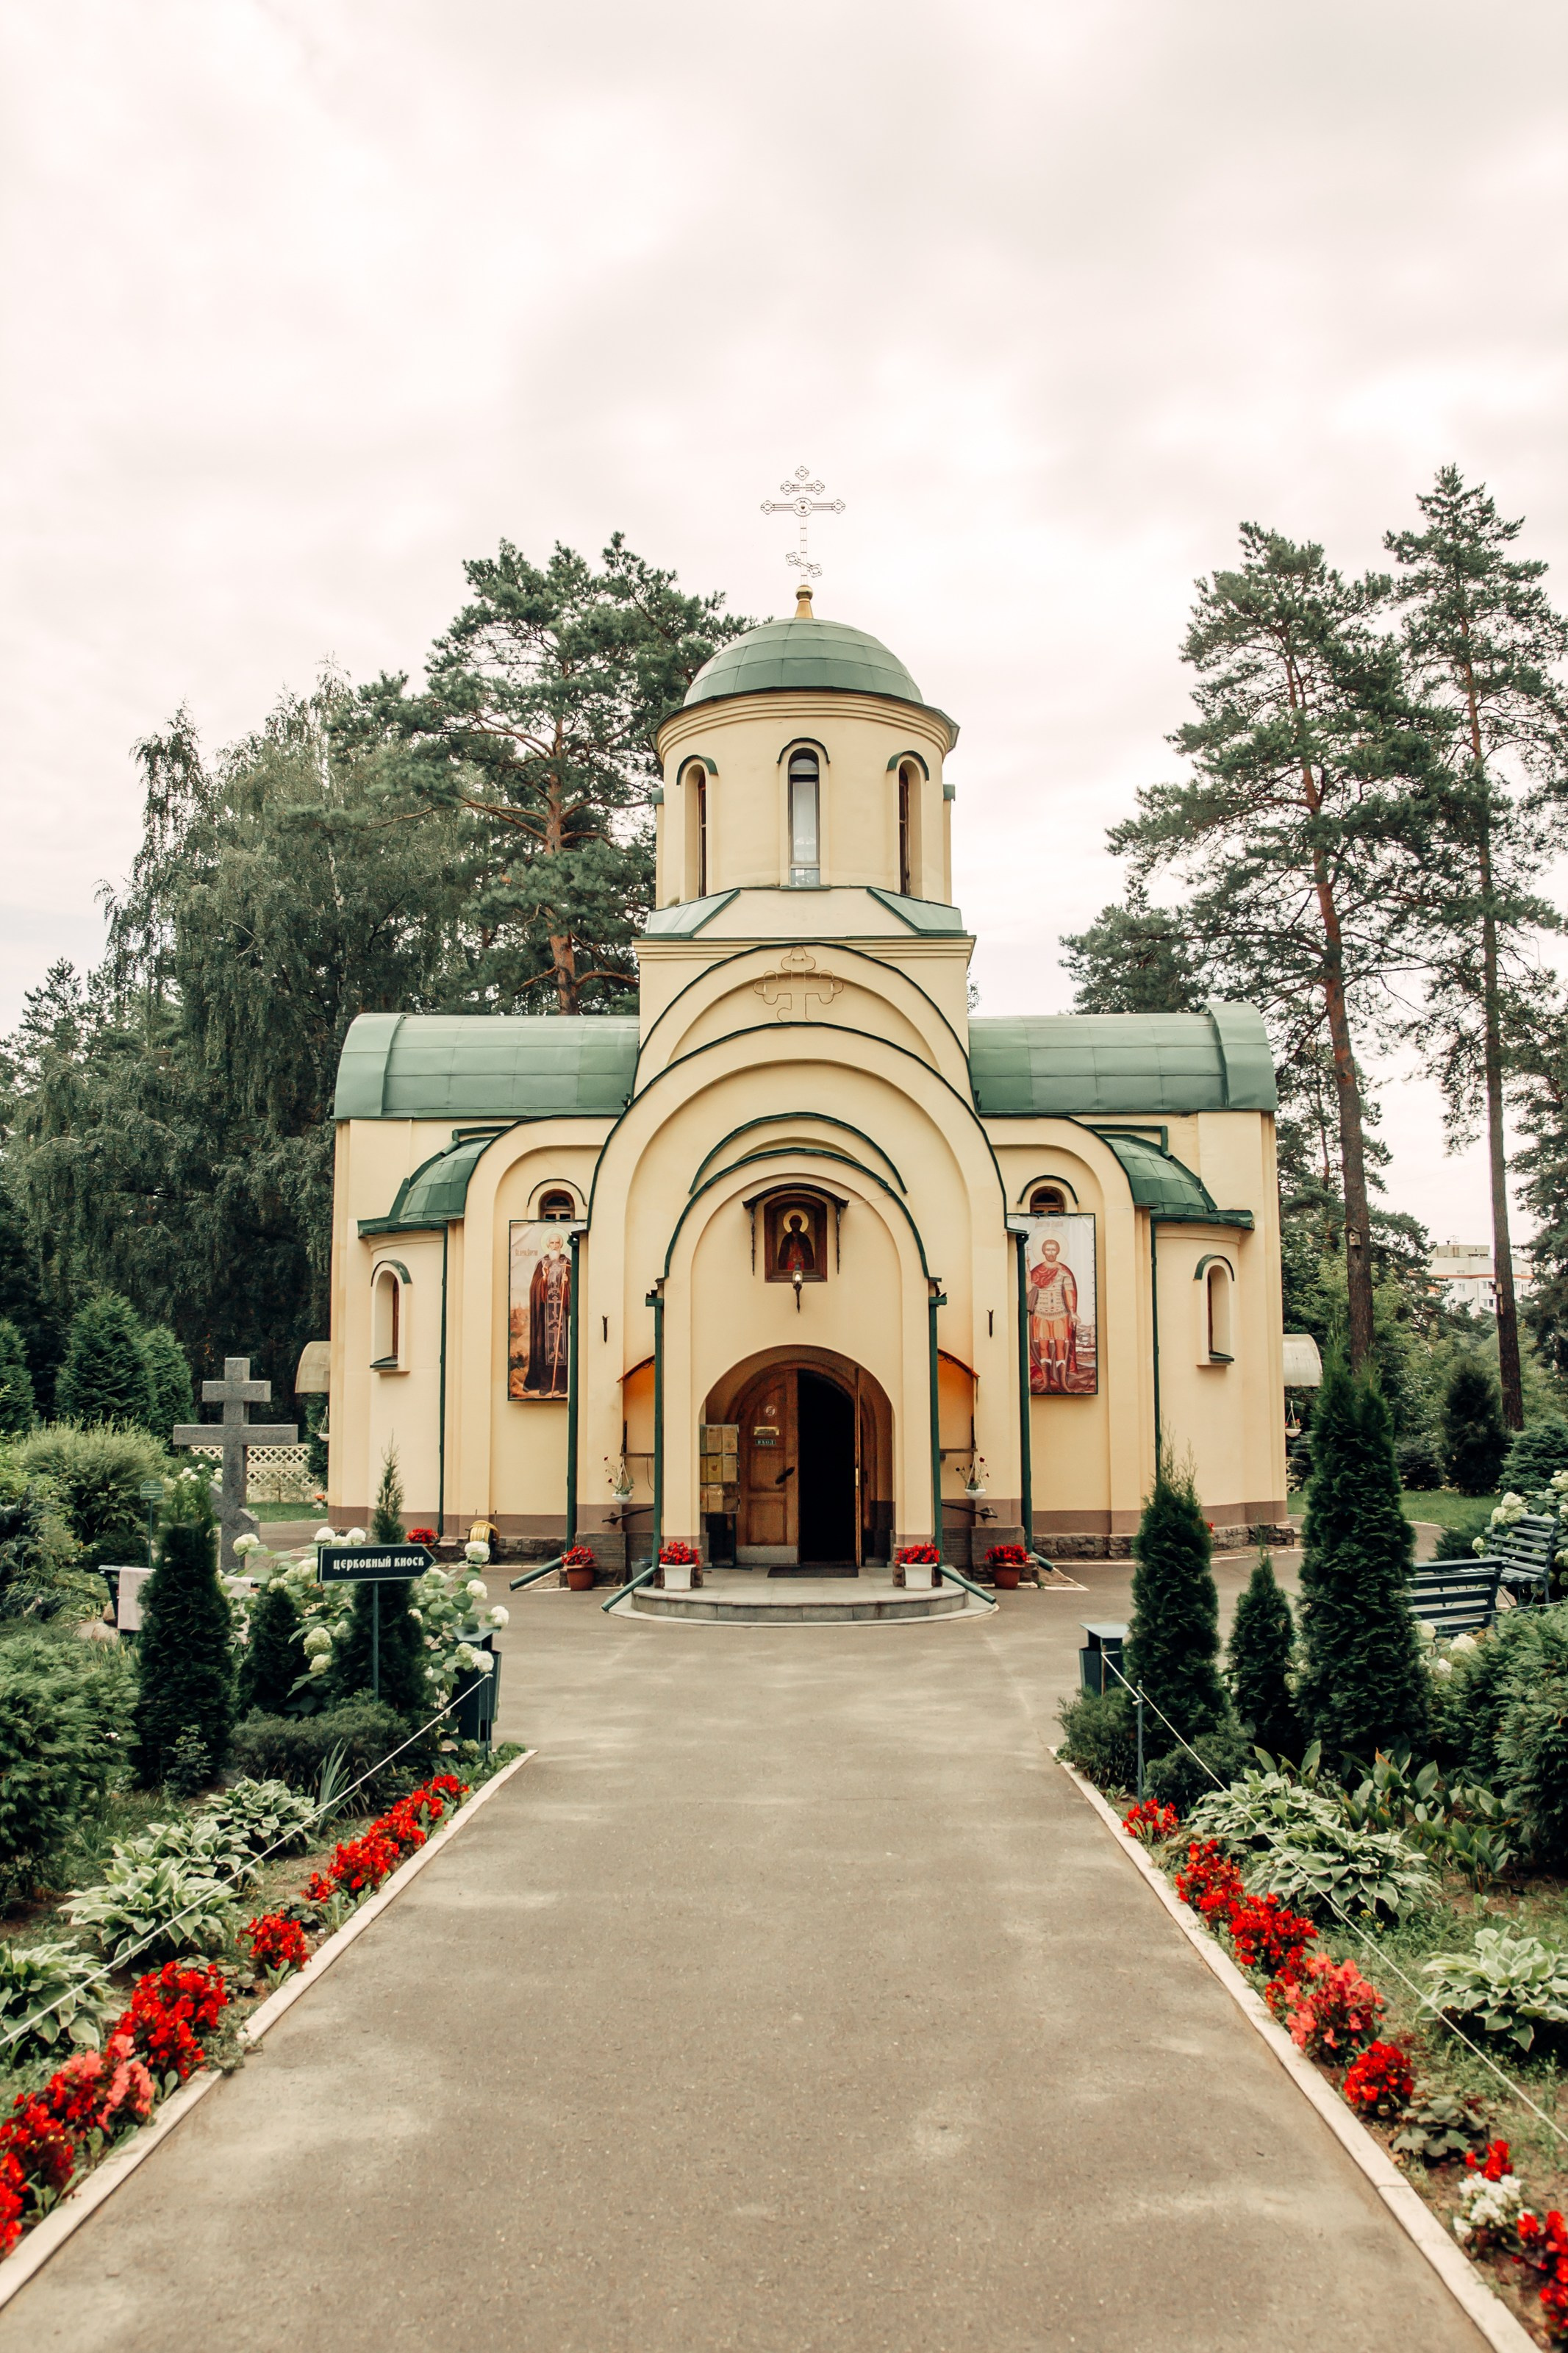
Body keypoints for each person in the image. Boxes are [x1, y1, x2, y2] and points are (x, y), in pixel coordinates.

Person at [521, 1231, 571, 1396]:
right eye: (552, 1243)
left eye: (557, 1243)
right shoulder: (541, 1264)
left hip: (562, 1315)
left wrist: (567, 1283)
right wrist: (543, 1280)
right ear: (548, 1245)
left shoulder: (568, 1263)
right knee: (544, 1349)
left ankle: (562, 1384)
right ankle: (545, 1385)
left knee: (562, 1348)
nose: (554, 1246)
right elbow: (534, 1288)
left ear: (561, 1245)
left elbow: (575, 1286)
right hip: (545, 1316)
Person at [1028, 1237, 1078, 1393]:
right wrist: (1027, 1270)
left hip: (1060, 1314)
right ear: (1043, 1251)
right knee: (1043, 1348)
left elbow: (1069, 1292)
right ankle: (1046, 1382)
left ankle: (1063, 1383)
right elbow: (1028, 1290)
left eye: (1053, 1249)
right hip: (1041, 1314)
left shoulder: (1063, 1271)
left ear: (1058, 1251)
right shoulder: (1037, 1271)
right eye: (1048, 1249)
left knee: (1060, 1348)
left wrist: (1073, 1312)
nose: (1051, 1252)